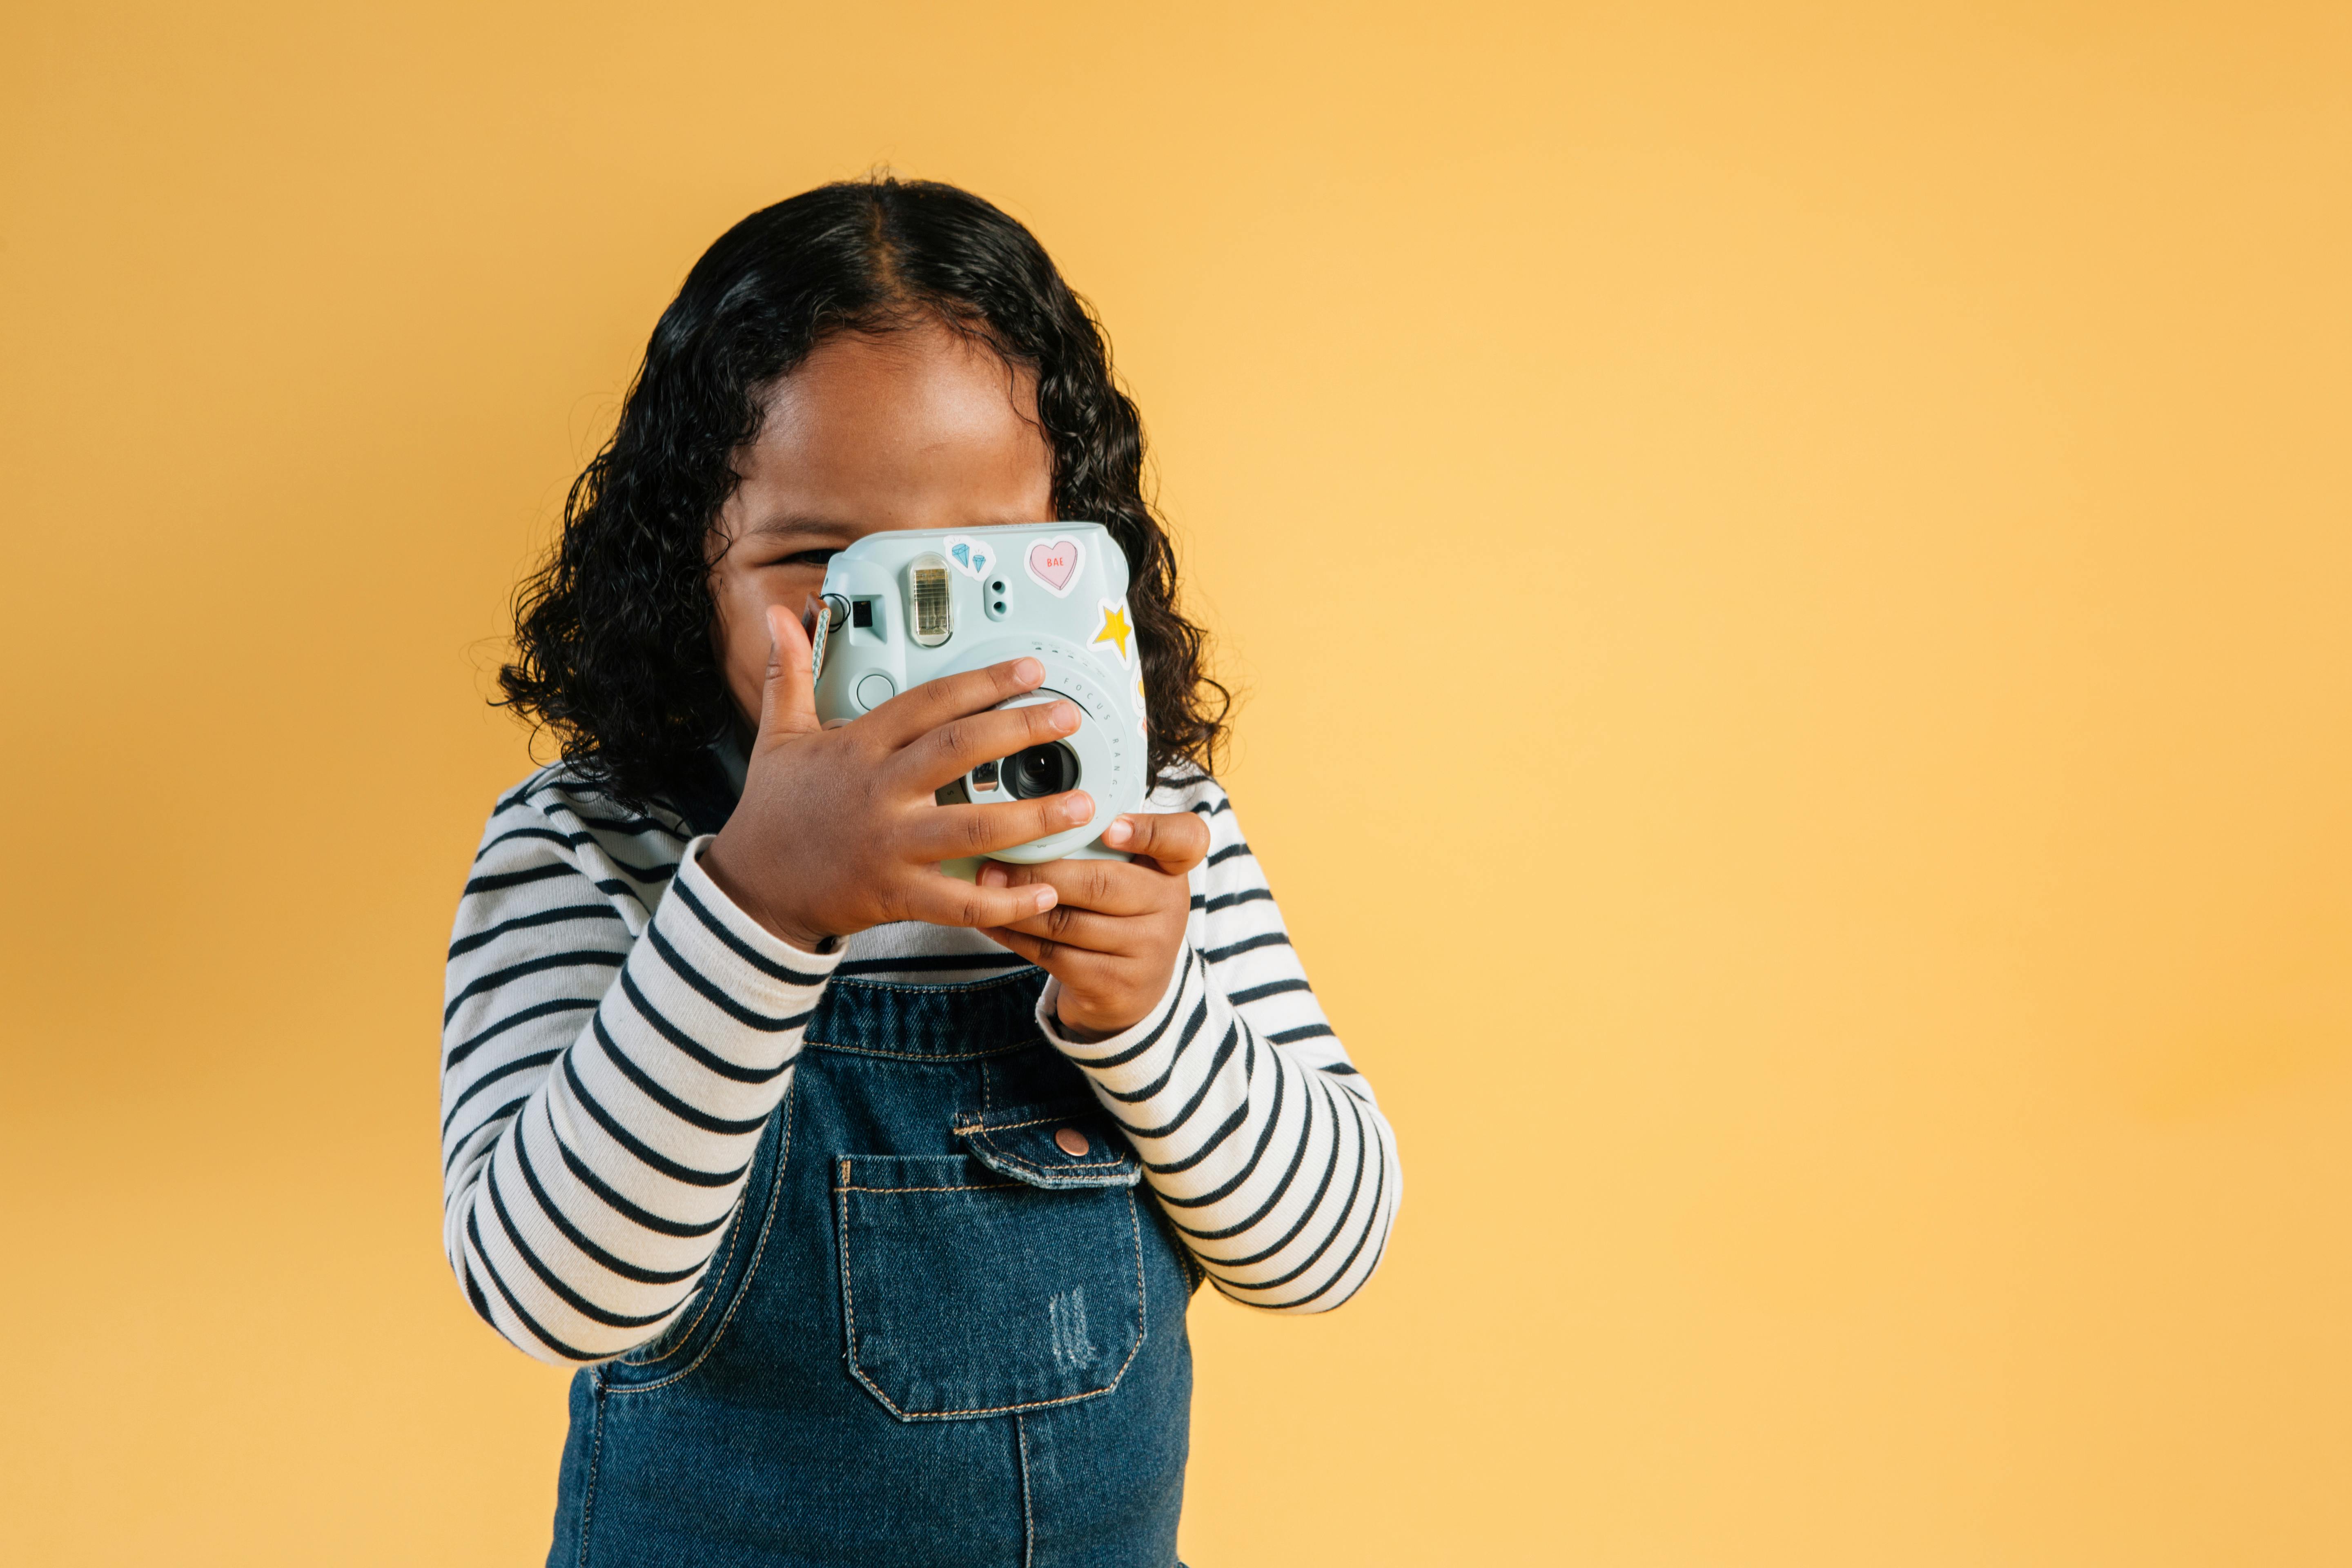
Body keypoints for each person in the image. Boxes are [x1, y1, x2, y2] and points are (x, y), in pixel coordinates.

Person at [440, 177, 1402, 1568]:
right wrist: (760, 908)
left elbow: (1325, 1251)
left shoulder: (1153, 834)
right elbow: (554, 1296)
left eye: (984, 562)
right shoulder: (590, 845)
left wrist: (1146, 1016)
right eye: (822, 556)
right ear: (686, 564)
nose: (903, 629)